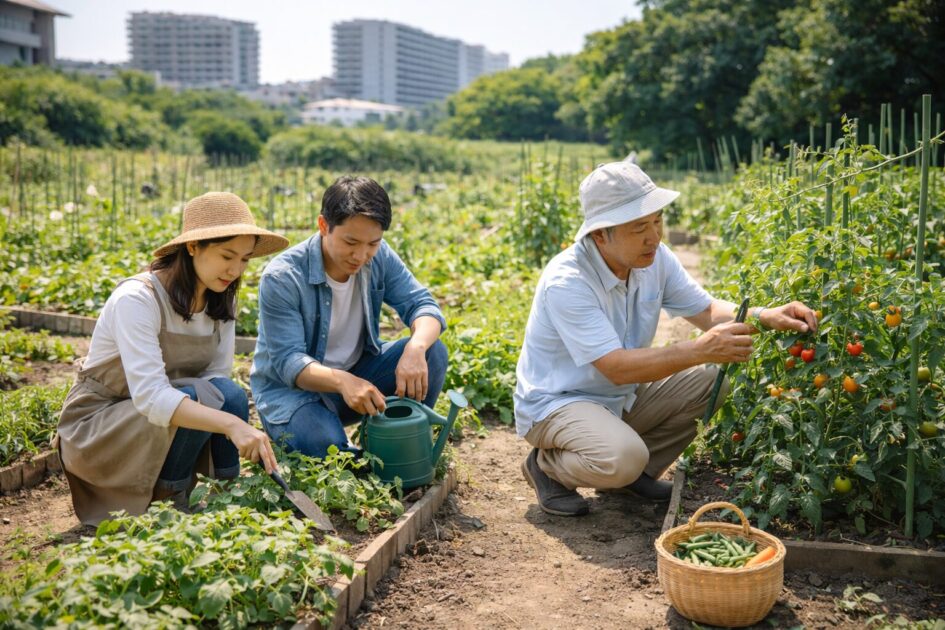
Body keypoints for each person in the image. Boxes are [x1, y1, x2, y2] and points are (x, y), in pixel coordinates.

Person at [514, 160, 818, 516]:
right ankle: (548, 469)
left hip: (618, 397)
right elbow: (615, 367)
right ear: (600, 235)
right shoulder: (568, 281)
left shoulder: (654, 259)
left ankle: (632, 478)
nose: (654, 236)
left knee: (710, 381)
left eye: (657, 220)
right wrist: (698, 349)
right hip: (559, 403)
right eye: (639, 226)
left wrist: (767, 316)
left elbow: (705, 311)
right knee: (622, 456)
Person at [56, 192, 288, 526]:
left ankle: (231, 496)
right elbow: (151, 396)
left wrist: (233, 418)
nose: (235, 270)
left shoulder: (219, 302)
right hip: (103, 426)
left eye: (245, 260)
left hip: (154, 426)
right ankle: (169, 503)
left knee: (229, 394)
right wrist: (233, 425)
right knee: (201, 400)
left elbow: (217, 380)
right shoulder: (137, 299)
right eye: (227, 255)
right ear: (193, 247)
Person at [251, 175, 448, 458]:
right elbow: (289, 362)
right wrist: (343, 381)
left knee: (432, 352)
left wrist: (416, 348)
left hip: (359, 377)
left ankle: (396, 438)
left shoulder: (378, 257)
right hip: (295, 395)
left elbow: (422, 304)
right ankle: (350, 446)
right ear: (323, 226)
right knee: (327, 447)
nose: (361, 255)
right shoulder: (283, 277)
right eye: (351, 242)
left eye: (373, 243)